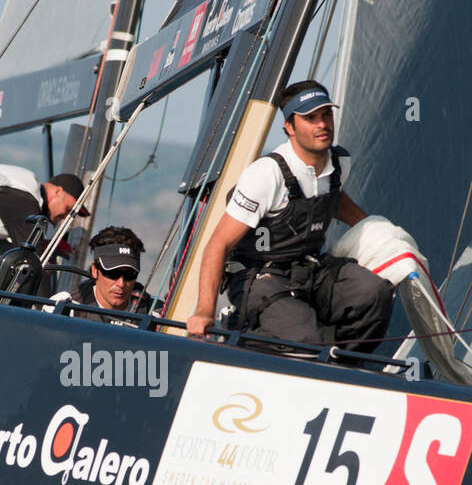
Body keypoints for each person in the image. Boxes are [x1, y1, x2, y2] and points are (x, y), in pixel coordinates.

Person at [185, 79, 392, 353]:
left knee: (374, 292)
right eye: (310, 118)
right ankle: (250, 337)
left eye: (326, 114)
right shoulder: (266, 175)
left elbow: (335, 200)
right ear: (289, 127)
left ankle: (341, 368)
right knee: (304, 339)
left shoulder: (340, 163)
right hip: (259, 278)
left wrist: (385, 235)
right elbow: (218, 245)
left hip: (311, 271)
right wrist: (203, 311)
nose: (322, 124)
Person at [50, 226, 150, 325]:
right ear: (95, 270)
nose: (121, 283)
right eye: (113, 274)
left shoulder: (153, 311)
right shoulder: (64, 310)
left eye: (130, 274)